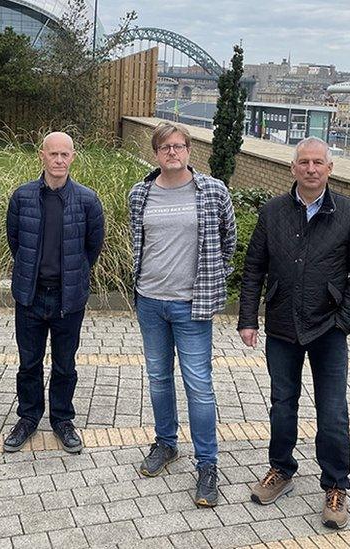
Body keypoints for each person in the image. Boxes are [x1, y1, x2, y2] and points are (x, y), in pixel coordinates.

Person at [237, 137, 350, 529]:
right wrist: (249, 318)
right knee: (283, 404)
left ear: (330, 168)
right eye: (304, 162)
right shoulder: (273, 212)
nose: (311, 169)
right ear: (293, 168)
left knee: (332, 412)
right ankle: (281, 470)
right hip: (282, 326)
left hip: (329, 329)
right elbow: (254, 269)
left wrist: (345, 319)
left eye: (318, 162)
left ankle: (335, 485)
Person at [128, 122, 236, 508]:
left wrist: (211, 279)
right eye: (165, 147)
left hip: (192, 305)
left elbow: (229, 241)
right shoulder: (140, 193)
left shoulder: (212, 190)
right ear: (155, 153)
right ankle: (166, 443)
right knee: (158, 377)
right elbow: (138, 241)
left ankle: (207, 464)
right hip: (150, 301)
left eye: (179, 146)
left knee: (198, 385)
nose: (173, 153)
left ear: (190, 150)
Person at [3, 131, 105, 454]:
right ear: (42, 156)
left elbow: (93, 247)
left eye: (65, 155)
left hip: (68, 299)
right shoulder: (22, 197)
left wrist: (72, 277)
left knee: (64, 365)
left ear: (73, 158)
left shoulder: (88, 200)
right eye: (53, 154)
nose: (59, 160)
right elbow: (15, 241)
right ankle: (28, 417)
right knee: (28, 363)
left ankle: (62, 419)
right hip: (31, 296)